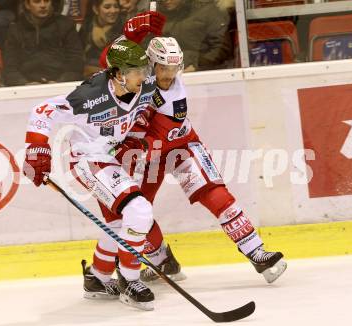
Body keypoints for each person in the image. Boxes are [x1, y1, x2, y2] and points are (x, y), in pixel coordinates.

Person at [98, 16, 287, 284]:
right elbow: (107, 62)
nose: (169, 75)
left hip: (179, 145)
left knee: (214, 192)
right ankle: (164, 261)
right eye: (163, 68)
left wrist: (132, 144)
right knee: (134, 208)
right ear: (150, 63)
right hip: (146, 152)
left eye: (174, 68)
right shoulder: (136, 72)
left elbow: (160, 137)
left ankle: (257, 252)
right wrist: (131, 36)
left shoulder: (175, 97)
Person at [22, 39, 158, 311]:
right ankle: (130, 280)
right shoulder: (89, 96)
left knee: (122, 222)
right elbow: (42, 110)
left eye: (144, 69)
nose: (143, 76)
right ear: (119, 74)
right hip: (88, 159)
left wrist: (134, 136)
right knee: (140, 211)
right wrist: (36, 150)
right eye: (136, 71)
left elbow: (145, 111)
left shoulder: (144, 86)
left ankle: (97, 277)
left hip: (113, 157)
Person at [3, 0, 84, 86]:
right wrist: (24, 83)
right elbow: (10, 68)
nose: (43, 5)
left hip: (61, 85)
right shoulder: (15, 29)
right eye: (37, 1)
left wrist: (60, 82)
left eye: (46, 1)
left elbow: (76, 63)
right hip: (27, 86)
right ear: (27, 5)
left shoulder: (66, 25)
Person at [158, 0, 233, 71]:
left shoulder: (208, 11)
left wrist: (196, 66)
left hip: (204, 75)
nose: (166, 0)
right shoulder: (158, 15)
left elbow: (221, 48)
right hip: (168, 74)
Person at [79, 0, 123, 78]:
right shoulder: (87, 26)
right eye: (107, 7)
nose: (113, 11)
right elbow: (77, 55)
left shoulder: (126, 28)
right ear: (96, 9)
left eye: (116, 7)